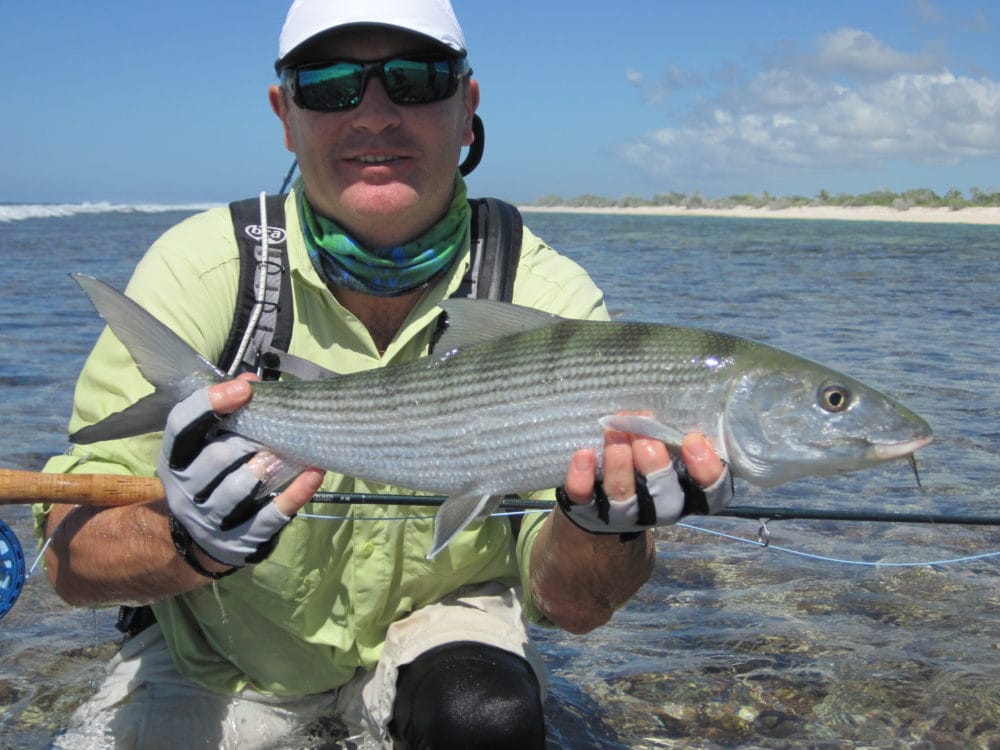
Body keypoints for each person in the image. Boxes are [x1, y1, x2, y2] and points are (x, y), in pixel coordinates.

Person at [34, 1, 730, 748]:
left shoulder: (548, 295)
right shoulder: (201, 269)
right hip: (217, 664)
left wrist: (604, 528)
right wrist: (184, 539)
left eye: (414, 79)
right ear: (284, 114)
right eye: (329, 84)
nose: (373, 114)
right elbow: (70, 562)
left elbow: (576, 606)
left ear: (466, 107)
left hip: (441, 642)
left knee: (483, 717)